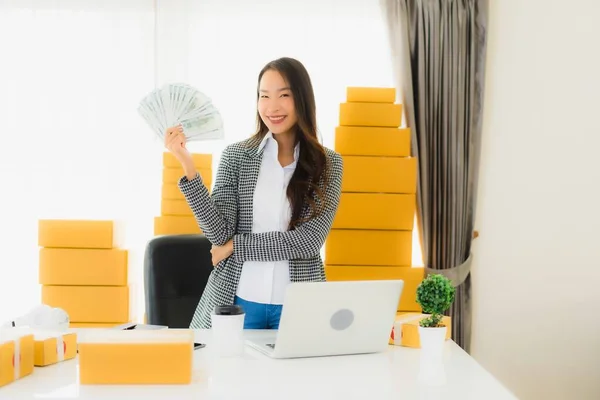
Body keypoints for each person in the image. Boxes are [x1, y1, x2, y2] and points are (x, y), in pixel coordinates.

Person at [164, 57, 344, 330]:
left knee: (300, 374)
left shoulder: (328, 164)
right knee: (229, 372)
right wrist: (187, 165)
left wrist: (236, 246)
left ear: (303, 99)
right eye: (264, 96)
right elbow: (219, 234)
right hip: (238, 300)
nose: (272, 106)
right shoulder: (237, 156)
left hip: (298, 304)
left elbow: (308, 242)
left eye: (284, 95)